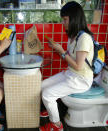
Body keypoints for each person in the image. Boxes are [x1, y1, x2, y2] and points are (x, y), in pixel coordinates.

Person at [40, 1, 94, 131]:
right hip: (71, 74)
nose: (63, 23)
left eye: (65, 19)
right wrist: (58, 49)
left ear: (74, 18)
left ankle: (56, 125)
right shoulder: (73, 36)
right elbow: (72, 59)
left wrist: (61, 51)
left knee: (47, 95)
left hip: (81, 80)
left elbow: (79, 66)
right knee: (42, 86)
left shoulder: (84, 38)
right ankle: (50, 108)